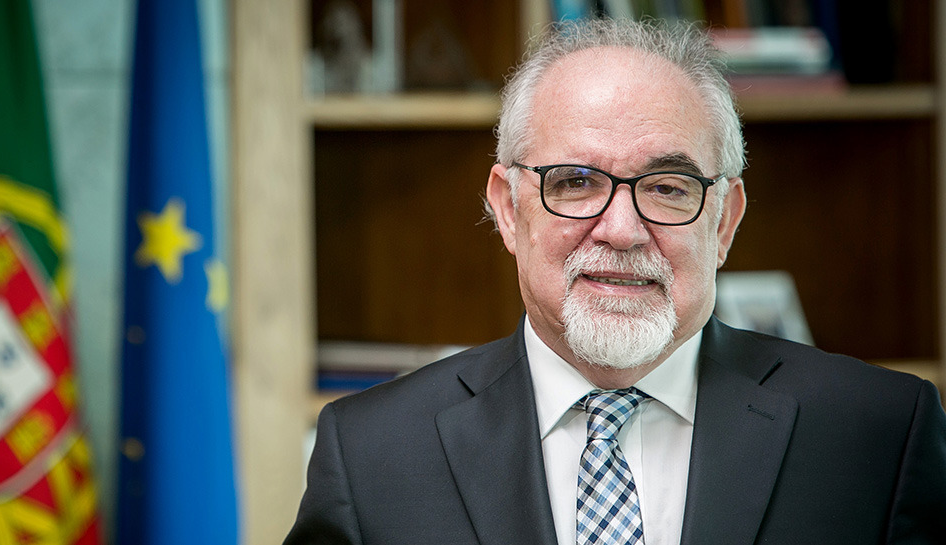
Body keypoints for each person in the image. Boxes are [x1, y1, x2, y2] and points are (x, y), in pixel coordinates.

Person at [285, 17, 946, 545]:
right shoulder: (370, 454)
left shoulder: (879, 436)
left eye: (667, 186)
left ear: (724, 221)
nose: (622, 230)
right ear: (508, 209)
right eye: (575, 182)